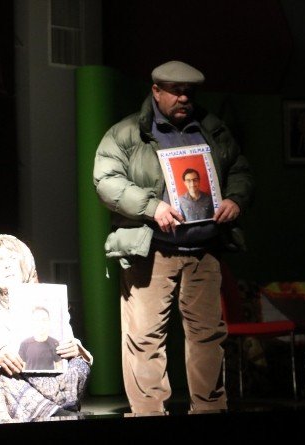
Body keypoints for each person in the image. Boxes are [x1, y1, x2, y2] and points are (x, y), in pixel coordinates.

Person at [93, 60, 254, 414]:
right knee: (145, 336)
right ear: (156, 91)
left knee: (208, 335)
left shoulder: (212, 129)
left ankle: (210, 410)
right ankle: (149, 414)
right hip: (153, 250)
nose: (183, 98)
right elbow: (106, 180)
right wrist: (152, 207)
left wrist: (234, 199)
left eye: (189, 93)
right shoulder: (127, 133)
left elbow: (239, 169)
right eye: (175, 91)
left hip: (204, 250)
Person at [0, 234, 93, 421]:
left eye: (11, 258)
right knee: (4, 372)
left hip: (50, 381)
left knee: (79, 362)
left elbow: (63, 340)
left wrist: (74, 348)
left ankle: (62, 408)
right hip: (12, 384)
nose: (6, 265)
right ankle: (54, 414)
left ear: (24, 263)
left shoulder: (48, 300)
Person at [18, 306, 63, 371]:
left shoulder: (55, 343)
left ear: (49, 322)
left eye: (44, 320)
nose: (41, 323)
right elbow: (21, 369)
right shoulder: (24, 343)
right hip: (29, 377)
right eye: (37, 320)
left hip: (49, 377)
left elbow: (59, 367)